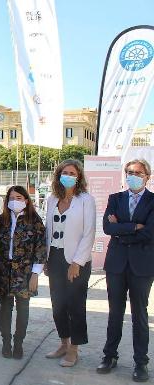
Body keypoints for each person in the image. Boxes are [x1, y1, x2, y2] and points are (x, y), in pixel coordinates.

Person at [97, 159, 154, 382]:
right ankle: (109, 356)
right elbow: (107, 227)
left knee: (139, 315)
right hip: (116, 264)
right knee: (115, 312)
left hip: (142, 265)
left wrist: (121, 229)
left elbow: (150, 232)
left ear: (147, 176)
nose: (132, 176)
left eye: (138, 173)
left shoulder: (152, 201)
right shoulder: (115, 199)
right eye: (129, 172)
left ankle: (141, 362)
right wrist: (133, 227)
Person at [44, 159, 95, 367]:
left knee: (75, 306)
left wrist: (77, 262)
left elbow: (89, 232)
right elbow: (47, 229)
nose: (68, 175)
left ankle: (74, 349)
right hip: (54, 257)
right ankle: (63, 343)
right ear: (58, 175)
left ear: (79, 177)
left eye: (72, 173)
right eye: (65, 172)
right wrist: (45, 259)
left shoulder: (86, 200)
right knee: (58, 306)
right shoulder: (51, 199)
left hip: (76, 261)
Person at [0, 186, 46, 360]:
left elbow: (41, 248)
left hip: (25, 273)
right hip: (3, 271)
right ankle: (6, 342)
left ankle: (19, 342)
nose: (15, 200)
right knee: (5, 308)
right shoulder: (1, 221)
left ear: (26, 201)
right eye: (12, 197)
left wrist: (36, 274)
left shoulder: (35, 221)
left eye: (19, 197)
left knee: (23, 308)